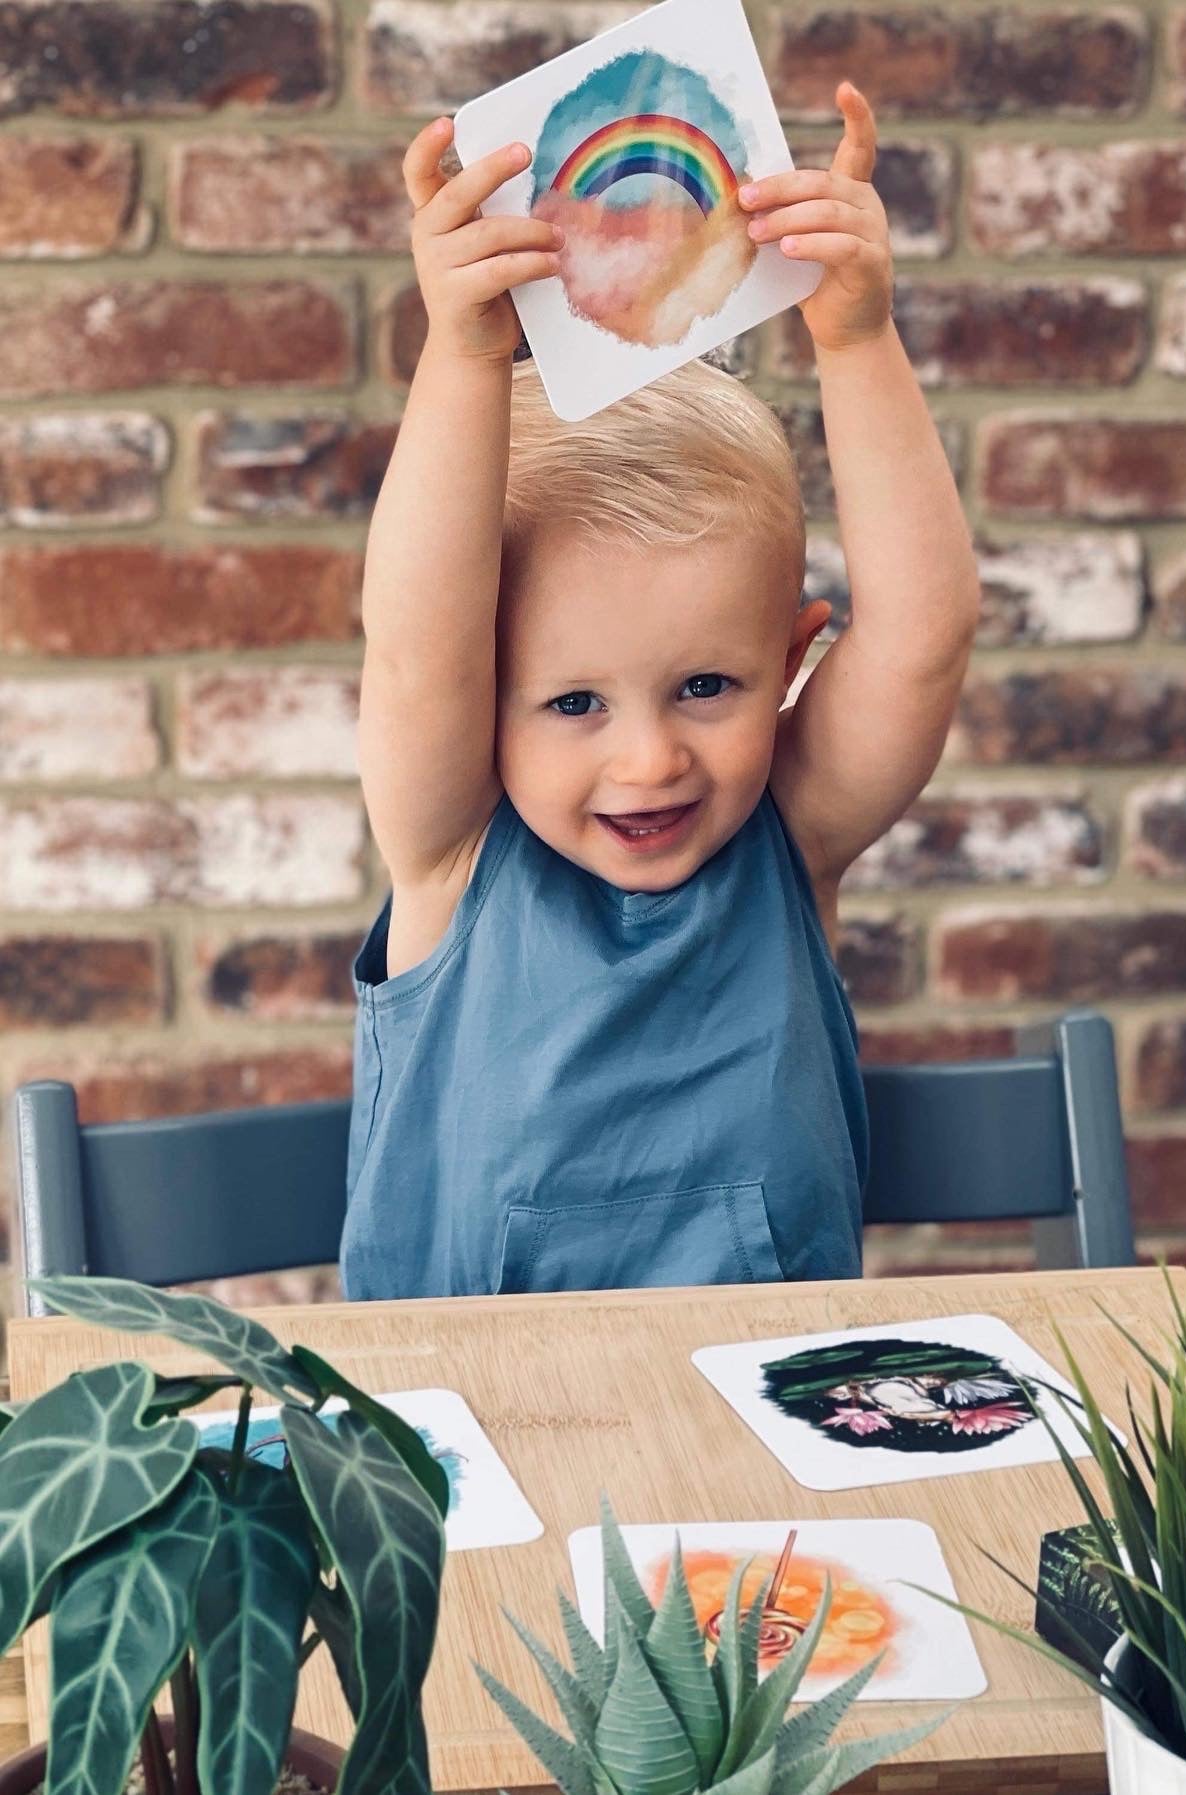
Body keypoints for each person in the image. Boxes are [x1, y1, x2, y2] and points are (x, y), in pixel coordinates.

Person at [339, 81, 980, 1300]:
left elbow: (924, 636)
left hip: (767, 1450)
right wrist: (468, 354)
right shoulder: (452, 848)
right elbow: (419, 647)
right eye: (574, 703)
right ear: (486, 696)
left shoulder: (792, 833)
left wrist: (855, 340)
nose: (651, 761)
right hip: (469, 1457)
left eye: (704, 687)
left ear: (792, 662)